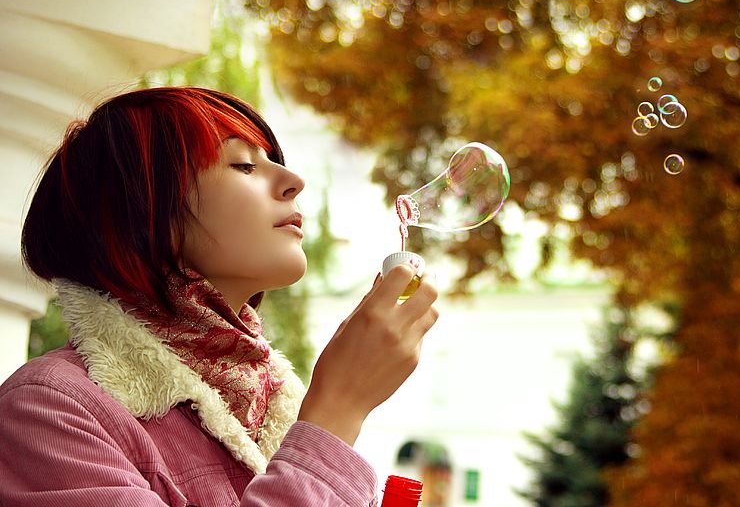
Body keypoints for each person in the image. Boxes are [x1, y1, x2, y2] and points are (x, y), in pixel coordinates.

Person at [0, 87, 439, 506]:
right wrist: (339, 408)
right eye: (244, 166)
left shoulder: (265, 408)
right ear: (142, 207)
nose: (293, 181)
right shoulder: (49, 410)